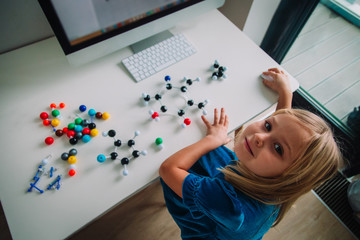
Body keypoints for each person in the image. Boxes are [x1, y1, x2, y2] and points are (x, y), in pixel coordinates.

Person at [159, 68, 342, 240]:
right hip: (236, 212)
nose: (260, 137)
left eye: (277, 148)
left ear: (289, 177)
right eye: (268, 125)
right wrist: (286, 93)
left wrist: (213, 139)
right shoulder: (281, 186)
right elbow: (287, 134)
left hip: (209, 226)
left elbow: (168, 169)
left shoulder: (230, 206)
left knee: (178, 163)